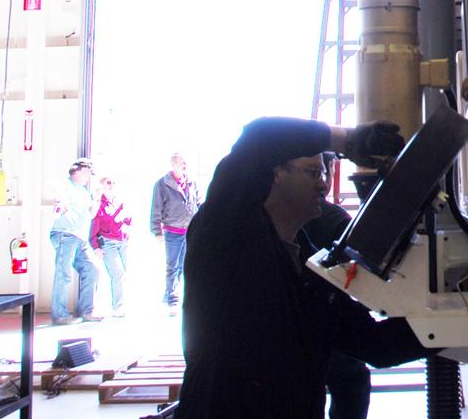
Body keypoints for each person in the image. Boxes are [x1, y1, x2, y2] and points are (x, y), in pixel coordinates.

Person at [175, 117, 428, 419]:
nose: (323, 183)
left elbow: (376, 345)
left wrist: (460, 322)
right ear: (275, 172)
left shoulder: (310, 267)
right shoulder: (226, 231)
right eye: (313, 172)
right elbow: (259, 136)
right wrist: (348, 140)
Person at [298, 154, 372, 419]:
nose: (321, 183)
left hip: (298, 335)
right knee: (353, 381)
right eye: (314, 173)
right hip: (326, 334)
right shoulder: (335, 218)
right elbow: (359, 279)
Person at [50, 158, 101, 325]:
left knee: (92, 269)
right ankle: (60, 315)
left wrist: (97, 199)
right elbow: (57, 192)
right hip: (66, 234)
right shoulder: (65, 184)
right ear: (78, 170)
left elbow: (91, 214)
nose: (89, 177)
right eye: (87, 173)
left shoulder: (84, 192)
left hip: (80, 238)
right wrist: (61, 202)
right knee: (63, 274)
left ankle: (86, 311)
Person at [151, 153, 201, 314]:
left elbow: (198, 202)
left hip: (189, 230)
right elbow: (156, 208)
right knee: (172, 265)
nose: (183, 165)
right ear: (173, 164)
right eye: (180, 162)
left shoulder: (191, 182)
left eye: (185, 162)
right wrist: (156, 231)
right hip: (172, 231)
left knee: (184, 265)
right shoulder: (162, 184)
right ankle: (172, 298)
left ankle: (173, 294)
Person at [90, 175, 131, 316]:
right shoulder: (98, 204)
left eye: (113, 182)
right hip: (108, 242)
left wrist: (126, 220)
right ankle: (118, 307)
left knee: (124, 272)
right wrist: (95, 246)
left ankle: (122, 303)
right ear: (102, 185)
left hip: (123, 240)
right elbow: (94, 225)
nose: (111, 185)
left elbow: (128, 220)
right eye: (108, 182)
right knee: (117, 272)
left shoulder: (119, 201)